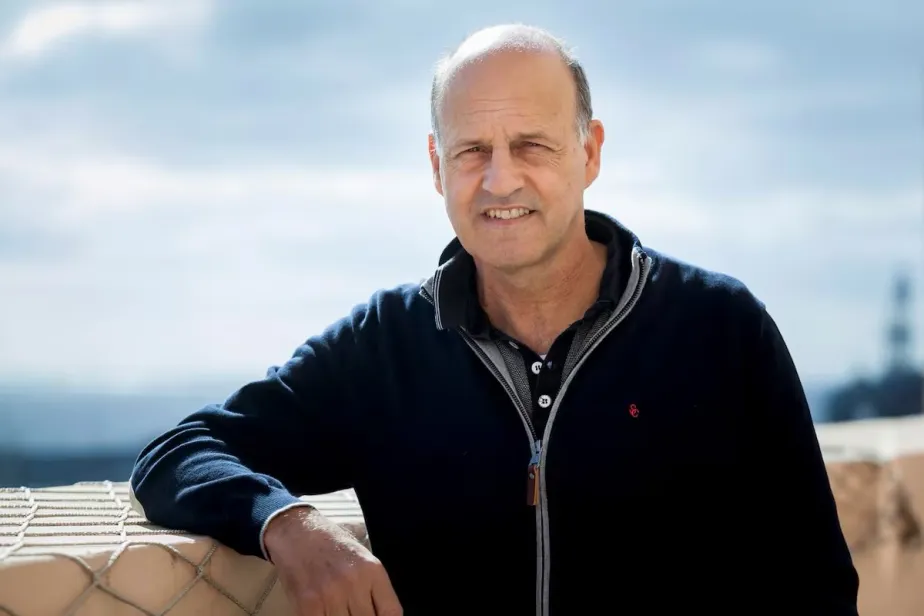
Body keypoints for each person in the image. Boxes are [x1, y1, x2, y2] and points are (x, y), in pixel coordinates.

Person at [130, 24, 859, 616]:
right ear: (435, 166)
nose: (499, 179)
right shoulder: (384, 346)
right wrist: (288, 526)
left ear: (590, 150)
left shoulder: (719, 330)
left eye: (531, 146)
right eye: (471, 150)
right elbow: (180, 451)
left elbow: (817, 587)